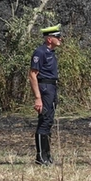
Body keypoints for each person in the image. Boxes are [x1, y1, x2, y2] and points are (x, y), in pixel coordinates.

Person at [30, 25, 64, 166]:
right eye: (57, 37)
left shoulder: (51, 52)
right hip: (44, 88)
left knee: (49, 121)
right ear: (49, 39)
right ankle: (40, 157)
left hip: (52, 87)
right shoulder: (40, 52)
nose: (60, 39)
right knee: (44, 121)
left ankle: (47, 155)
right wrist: (38, 97)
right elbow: (32, 75)